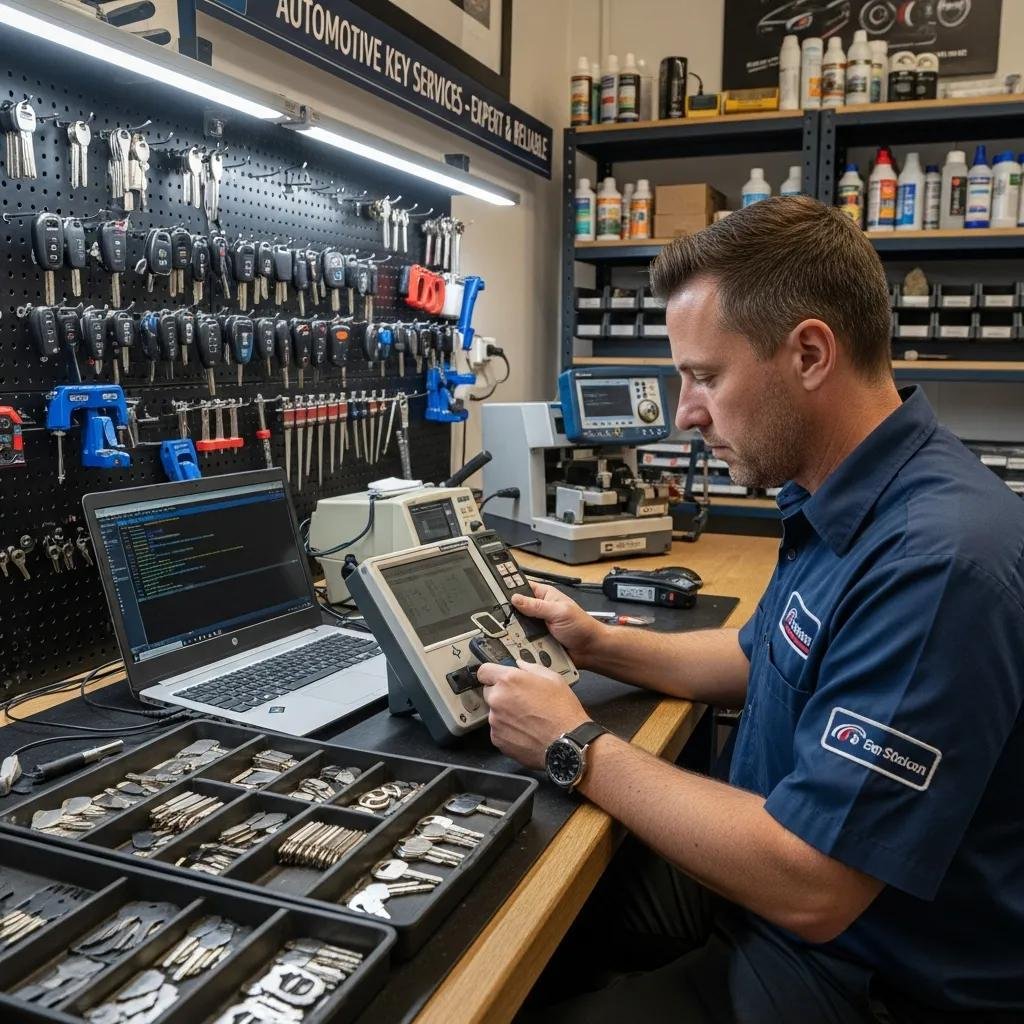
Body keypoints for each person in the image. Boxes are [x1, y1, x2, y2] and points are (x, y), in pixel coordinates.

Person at [477, 197, 1024, 1023]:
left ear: (809, 353)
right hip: (768, 898)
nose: (687, 411)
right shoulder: (842, 490)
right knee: (514, 915)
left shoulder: (938, 563)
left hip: (855, 970)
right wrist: (594, 643)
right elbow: (760, 652)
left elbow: (815, 884)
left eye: (704, 376)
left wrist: (573, 746)